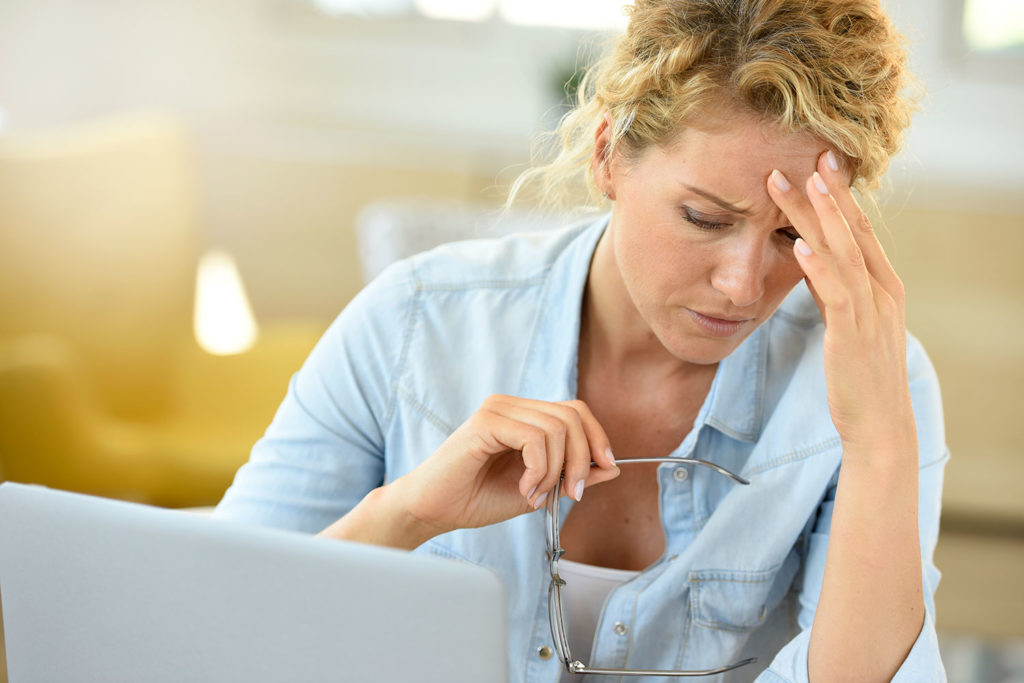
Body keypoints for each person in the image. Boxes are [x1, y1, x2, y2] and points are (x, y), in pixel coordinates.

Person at [213, 0, 948, 680]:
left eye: (794, 234)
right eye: (704, 218)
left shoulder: (877, 381)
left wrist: (878, 439)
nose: (744, 283)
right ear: (608, 155)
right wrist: (412, 514)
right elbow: (215, 630)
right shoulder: (413, 323)